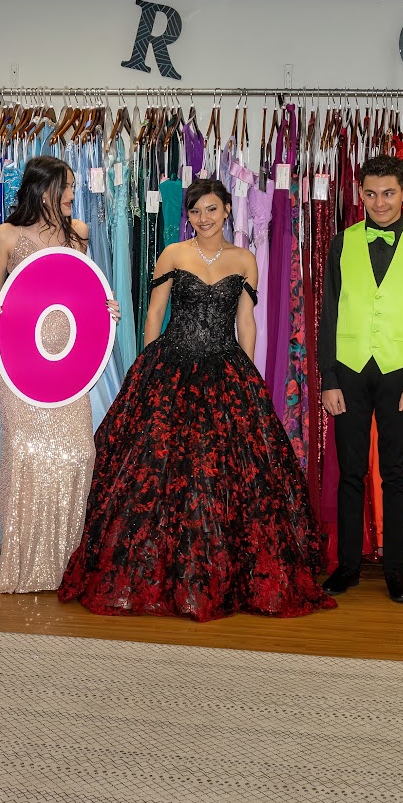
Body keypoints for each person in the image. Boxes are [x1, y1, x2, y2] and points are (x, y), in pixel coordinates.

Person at [61, 179, 333, 620]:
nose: (203, 218)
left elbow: (246, 322)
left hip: (226, 367)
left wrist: (248, 375)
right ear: (187, 216)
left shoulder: (244, 260)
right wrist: (145, 368)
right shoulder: (173, 254)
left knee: (223, 472)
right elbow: (154, 312)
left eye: (211, 209)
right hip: (171, 364)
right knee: (157, 469)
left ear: (227, 210)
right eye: (195, 211)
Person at [318, 154, 403, 604]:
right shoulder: (341, 242)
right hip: (349, 369)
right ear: (360, 194)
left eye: (388, 193)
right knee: (350, 472)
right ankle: (348, 565)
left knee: (394, 473)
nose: (380, 202)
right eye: (370, 194)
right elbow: (329, 313)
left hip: (399, 371)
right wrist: (328, 377)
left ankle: (395, 570)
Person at [0, 156, 105, 594]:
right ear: (43, 190)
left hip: (70, 361)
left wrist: (105, 309)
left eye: (72, 186)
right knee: (27, 455)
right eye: (66, 186)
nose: (73, 194)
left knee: (79, 453)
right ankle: (24, 563)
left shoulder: (79, 233)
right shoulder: (7, 234)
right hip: (22, 360)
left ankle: (65, 562)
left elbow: (84, 291)